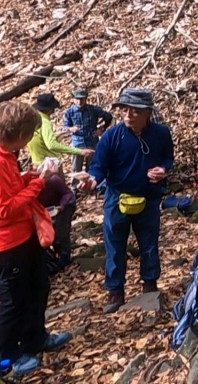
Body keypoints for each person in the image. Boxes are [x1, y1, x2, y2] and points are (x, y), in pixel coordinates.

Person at [0, 101, 72, 375]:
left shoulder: (3, 154)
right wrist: (41, 182)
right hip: (4, 246)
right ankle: (8, 356)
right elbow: (5, 208)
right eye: (28, 136)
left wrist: (30, 176)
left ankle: (35, 338)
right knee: (13, 302)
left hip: (24, 237)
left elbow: (11, 189)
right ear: (18, 134)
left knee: (38, 288)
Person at [78, 88, 174, 313]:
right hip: (116, 198)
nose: (128, 115)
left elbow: (168, 157)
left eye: (134, 110)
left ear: (148, 112)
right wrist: (92, 181)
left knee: (149, 244)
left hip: (148, 198)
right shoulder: (112, 136)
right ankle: (115, 291)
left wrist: (164, 169)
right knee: (115, 246)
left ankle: (150, 284)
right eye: (124, 109)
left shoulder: (161, 133)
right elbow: (98, 167)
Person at [28, 93, 93, 167]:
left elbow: (40, 140)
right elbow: (51, 145)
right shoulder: (45, 122)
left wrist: (62, 134)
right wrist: (79, 151)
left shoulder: (33, 119)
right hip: (50, 164)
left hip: (37, 162)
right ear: (50, 109)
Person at [36, 158, 76, 270]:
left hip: (64, 206)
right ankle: (51, 258)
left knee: (60, 232)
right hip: (44, 210)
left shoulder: (54, 180)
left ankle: (64, 258)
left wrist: (61, 207)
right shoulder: (32, 186)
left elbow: (68, 195)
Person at [63, 89, 113, 173]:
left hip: (92, 142)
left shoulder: (93, 109)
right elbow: (65, 127)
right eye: (77, 99)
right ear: (73, 99)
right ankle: (75, 186)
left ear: (86, 99)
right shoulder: (69, 112)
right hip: (77, 144)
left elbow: (108, 117)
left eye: (82, 99)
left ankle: (91, 185)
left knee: (92, 167)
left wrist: (101, 129)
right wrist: (71, 129)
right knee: (76, 168)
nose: (79, 101)